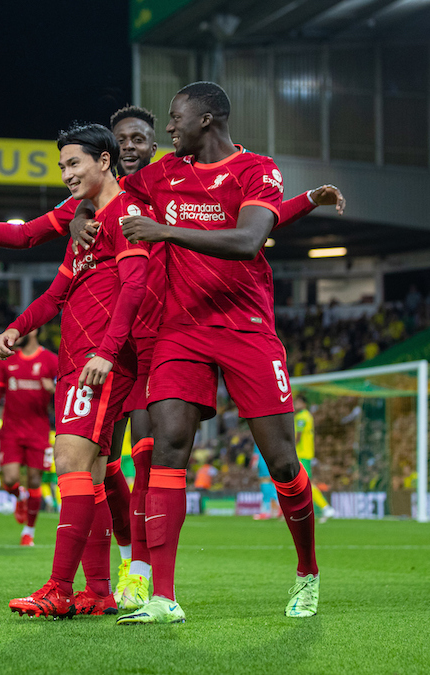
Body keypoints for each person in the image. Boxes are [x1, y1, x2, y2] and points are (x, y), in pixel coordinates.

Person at [0, 105, 344, 611]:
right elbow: (40, 232)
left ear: (157, 144)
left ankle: (284, 570)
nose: (132, 145)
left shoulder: (182, 181)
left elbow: (254, 222)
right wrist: (68, 215)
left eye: (142, 137)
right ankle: (136, 579)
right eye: (122, 138)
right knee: (115, 463)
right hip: (163, 338)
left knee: (237, 459)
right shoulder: (129, 194)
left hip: (198, 334)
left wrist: (306, 200)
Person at [116, 81, 320, 624]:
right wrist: (84, 221)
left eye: (176, 119)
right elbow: (110, 195)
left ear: (207, 119)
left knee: (281, 460)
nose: (168, 130)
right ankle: (164, 597)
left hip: (246, 327)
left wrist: (164, 229)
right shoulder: (159, 174)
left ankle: (307, 573)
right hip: (182, 331)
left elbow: (249, 239)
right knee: (169, 446)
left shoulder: (256, 170)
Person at [3, 123, 150, 618]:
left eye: (74, 163)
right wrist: (17, 328)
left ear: (104, 162)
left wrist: (107, 352)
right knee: (87, 473)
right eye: (62, 166)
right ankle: (98, 591)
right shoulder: (86, 227)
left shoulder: (125, 213)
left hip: (98, 362)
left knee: (69, 461)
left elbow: (133, 288)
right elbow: (57, 293)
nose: (66, 174)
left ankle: (60, 589)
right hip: (76, 361)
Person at [0, 327, 58, 546]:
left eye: (20, 332)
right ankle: (19, 495)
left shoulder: (51, 360)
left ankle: (28, 531)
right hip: (11, 429)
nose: (14, 337)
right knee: (10, 479)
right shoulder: (6, 360)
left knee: (34, 480)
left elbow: (67, 392)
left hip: (38, 430)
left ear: (35, 331)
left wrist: (54, 390)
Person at [295, 394, 334, 523]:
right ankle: (302, 511)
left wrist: (289, 451)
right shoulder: (305, 416)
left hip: (302, 454)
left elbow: (298, 437)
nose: (295, 405)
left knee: (306, 483)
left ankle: (325, 507)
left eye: (297, 402)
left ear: (304, 404)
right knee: (300, 484)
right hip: (304, 454)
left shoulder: (302, 417)